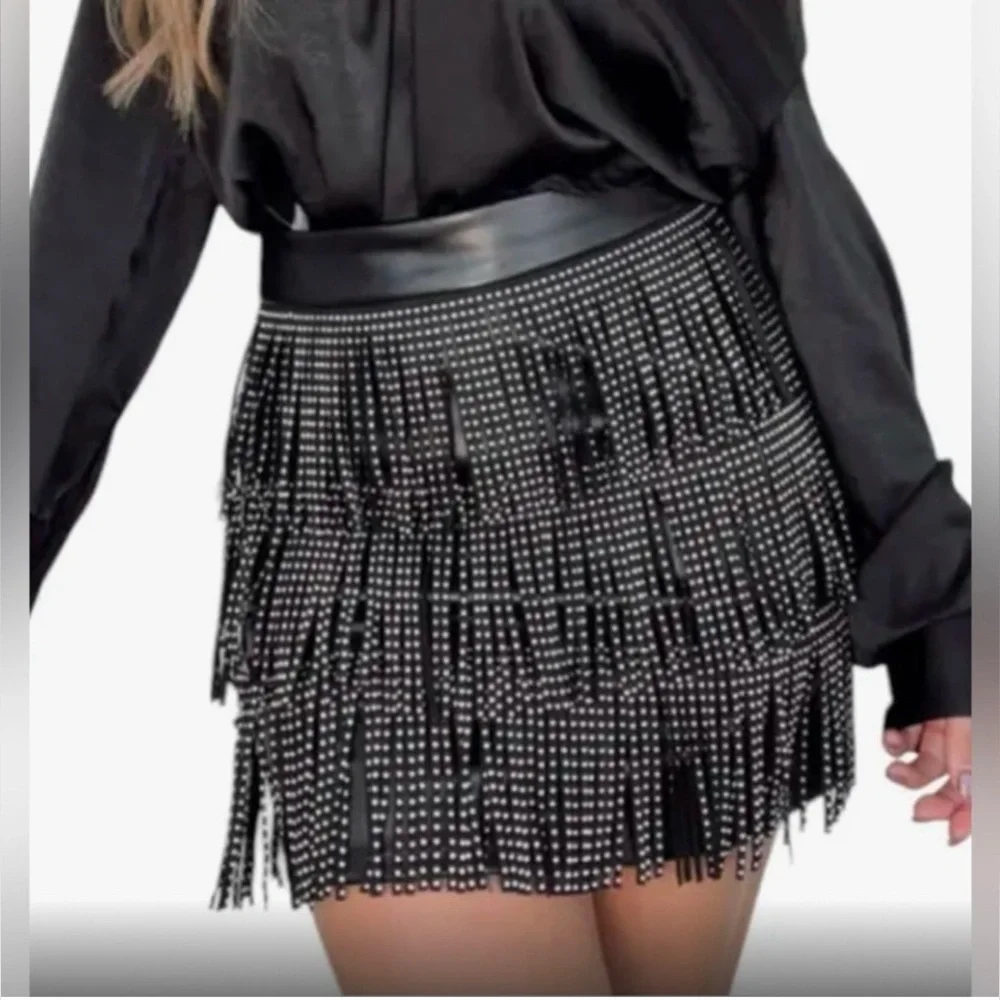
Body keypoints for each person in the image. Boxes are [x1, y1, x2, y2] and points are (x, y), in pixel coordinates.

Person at [30, 0, 972, 994]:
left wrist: (938, 613)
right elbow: (90, 256)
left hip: (674, 479)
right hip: (363, 512)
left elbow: (781, 177)